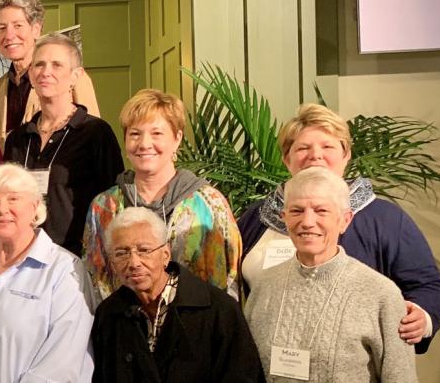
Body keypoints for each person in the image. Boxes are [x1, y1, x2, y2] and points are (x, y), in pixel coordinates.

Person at [235, 104, 440, 353]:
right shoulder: (255, 218)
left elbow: (429, 286)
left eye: (327, 147)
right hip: (266, 360)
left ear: (346, 155)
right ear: (286, 158)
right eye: (303, 148)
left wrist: (421, 316)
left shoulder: (384, 219)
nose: (315, 156)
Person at [245, 168, 417, 382]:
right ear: (284, 218)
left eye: (321, 211)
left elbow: (400, 377)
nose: (307, 222)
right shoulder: (264, 286)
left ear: (345, 220)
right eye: (297, 211)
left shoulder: (381, 294)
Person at [82, 89, 242, 299]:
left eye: (156, 133)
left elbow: (229, 280)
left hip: (194, 325)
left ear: (177, 139)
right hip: (124, 326)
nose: (144, 144)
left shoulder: (210, 204)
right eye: (135, 134)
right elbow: (94, 281)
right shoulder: (104, 207)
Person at [0, 163, 94, 382]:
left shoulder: (64, 270)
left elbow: (63, 363)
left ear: (35, 207)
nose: (1, 209)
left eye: (13, 198)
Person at [90, 207, 262, 383]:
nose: (134, 263)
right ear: (112, 263)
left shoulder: (219, 310)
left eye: (144, 250)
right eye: (122, 253)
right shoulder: (108, 314)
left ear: (165, 254)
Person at [2, 34, 124, 256]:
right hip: (23, 257)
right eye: (39, 64)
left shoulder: (96, 133)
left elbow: (113, 204)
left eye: (57, 65)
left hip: (78, 259)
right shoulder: (17, 139)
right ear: (30, 73)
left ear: (75, 76)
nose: (45, 72)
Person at [0, 0, 100, 141]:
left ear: (36, 29)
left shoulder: (71, 77)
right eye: (2, 28)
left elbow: (94, 135)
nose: (9, 35)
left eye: (18, 25)